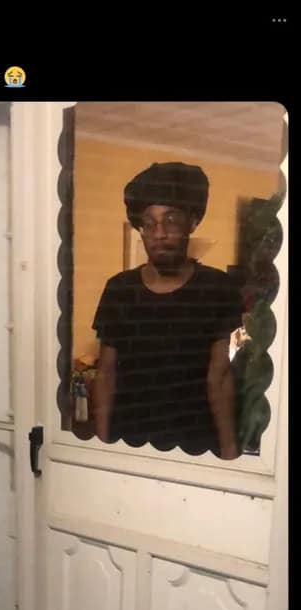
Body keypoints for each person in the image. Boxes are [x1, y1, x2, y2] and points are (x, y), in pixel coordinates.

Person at [91, 161, 243, 459]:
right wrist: (100, 447)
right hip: (128, 445)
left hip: (194, 447)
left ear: (192, 222)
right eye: (149, 223)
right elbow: (106, 374)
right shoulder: (119, 290)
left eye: (170, 220)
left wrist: (229, 451)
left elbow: (220, 375)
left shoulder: (218, 288)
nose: (158, 233)